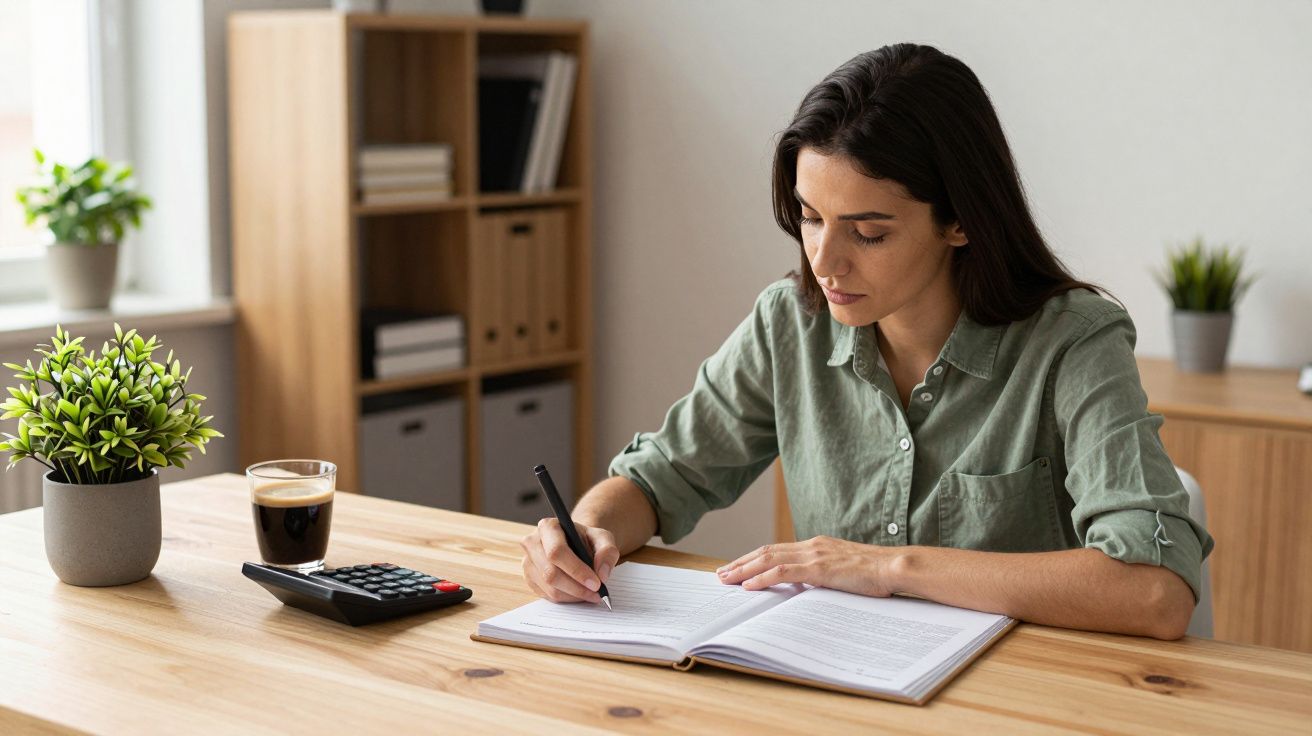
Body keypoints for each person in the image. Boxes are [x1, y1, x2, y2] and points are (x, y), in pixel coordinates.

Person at [519, 43, 1213, 640]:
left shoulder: (1074, 342)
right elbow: (660, 478)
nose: (825, 261)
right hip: (846, 685)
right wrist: (585, 533)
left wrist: (887, 567)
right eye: (810, 218)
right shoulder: (791, 322)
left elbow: (1154, 591)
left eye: (869, 233)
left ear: (961, 222)